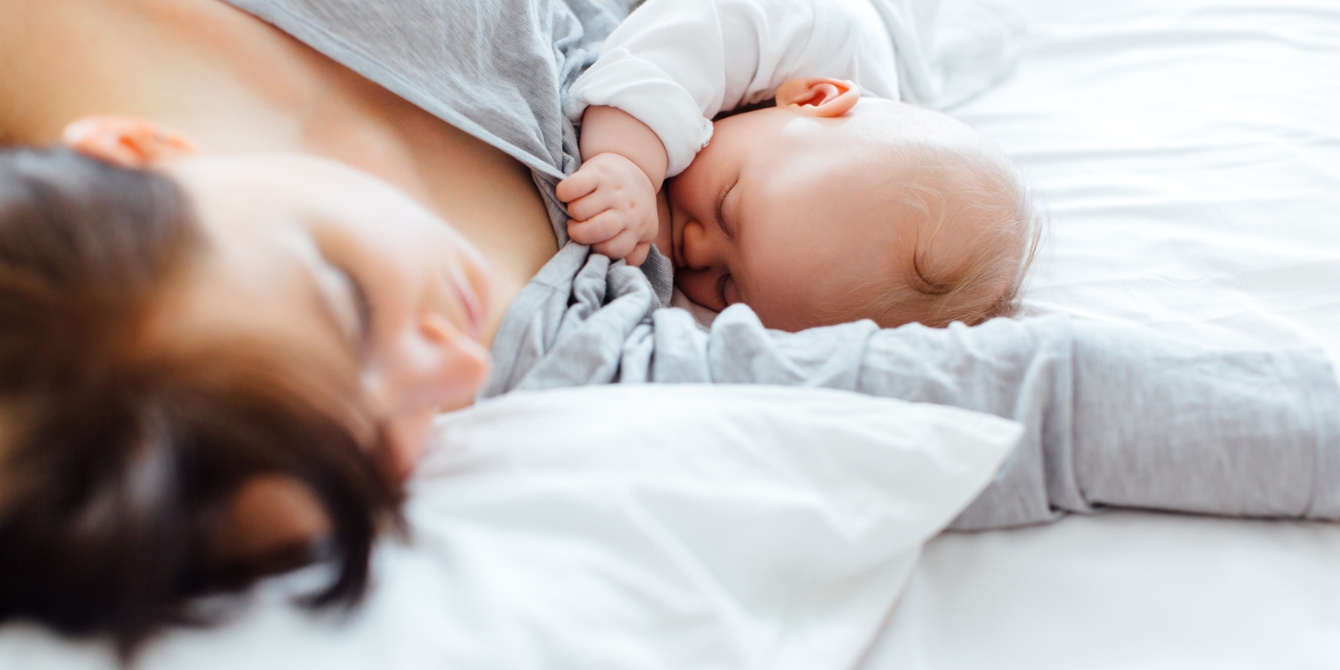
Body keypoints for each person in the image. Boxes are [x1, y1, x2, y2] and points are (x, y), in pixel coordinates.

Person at [1, 0, 1338, 658]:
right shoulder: (578, 345)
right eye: (400, 438)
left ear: (134, 153)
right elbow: (1036, 402)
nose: (448, 366)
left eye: (343, 302)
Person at [559, 0, 1037, 329]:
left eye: (727, 288)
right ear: (812, 98)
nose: (695, 249)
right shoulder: (798, 25)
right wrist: (629, 163)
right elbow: (667, 52)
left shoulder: (827, 199)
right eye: (726, 208)